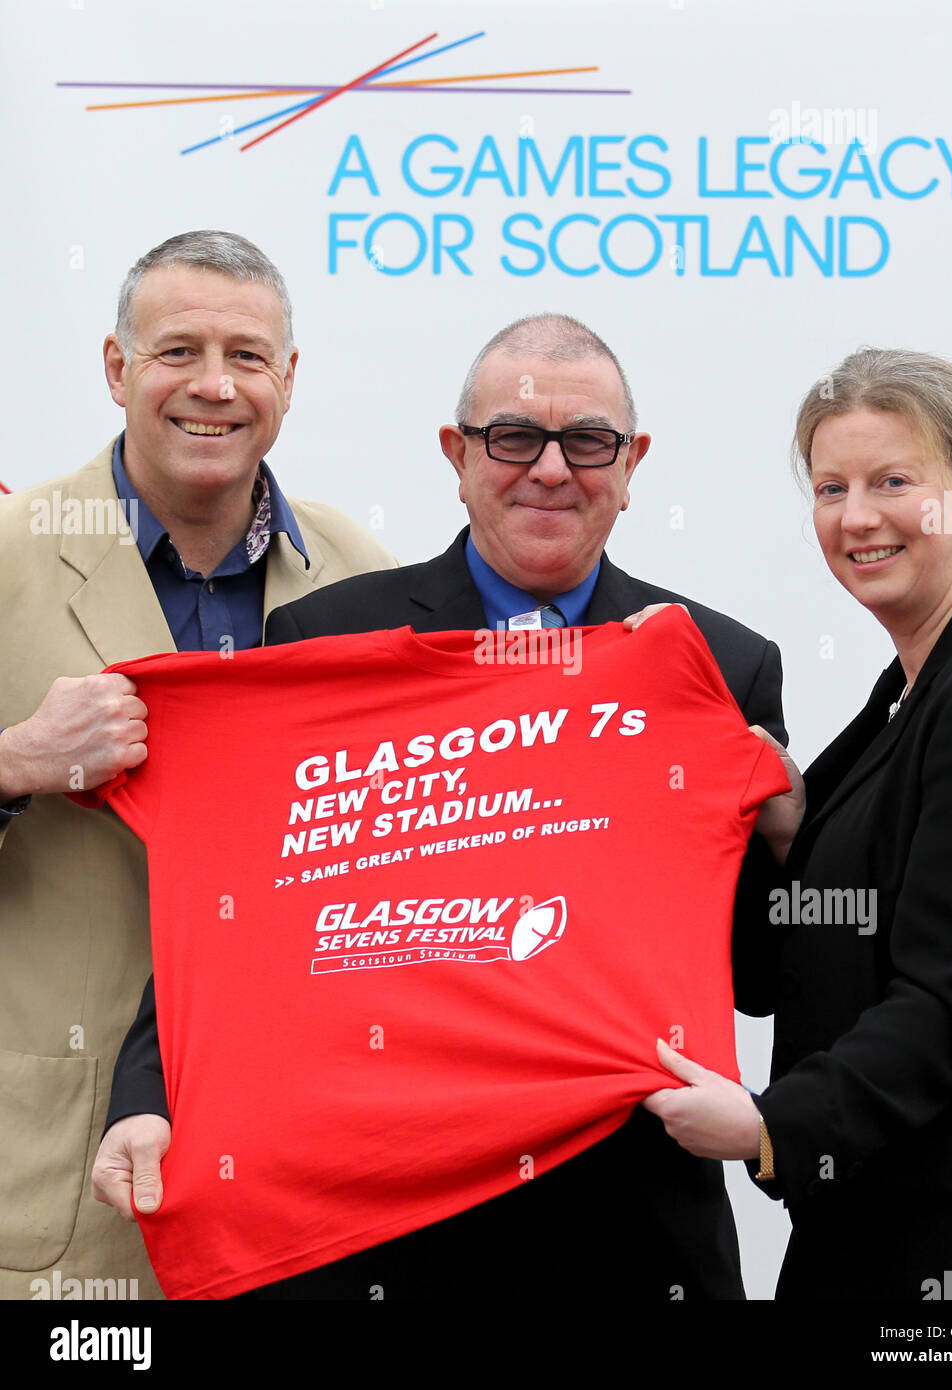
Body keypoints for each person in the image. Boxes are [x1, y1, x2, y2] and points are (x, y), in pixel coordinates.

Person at [95, 312, 787, 1300]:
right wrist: (147, 1096)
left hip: (630, 1227)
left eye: (586, 441)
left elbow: (757, 973)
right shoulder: (325, 641)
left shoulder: (719, 665)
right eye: (513, 437)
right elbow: (234, 906)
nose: (550, 469)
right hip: (384, 1228)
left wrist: (785, 831)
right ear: (457, 456)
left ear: (631, 466)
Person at [0, 230, 396, 1300]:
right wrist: (14, 762)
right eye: (178, 351)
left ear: (290, 380)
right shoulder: (8, 554)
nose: (214, 387)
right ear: (117, 368)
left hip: (300, 1166)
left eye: (247, 356)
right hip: (58, 1166)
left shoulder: (367, 579)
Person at [643, 347, 952, 1299]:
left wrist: (767, 1127)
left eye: (892, 481)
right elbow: (859, 930)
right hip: (876, 1225)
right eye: (831, 488)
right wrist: (792, 830)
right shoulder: (913, 690)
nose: (857, 516)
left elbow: (949, 1006)